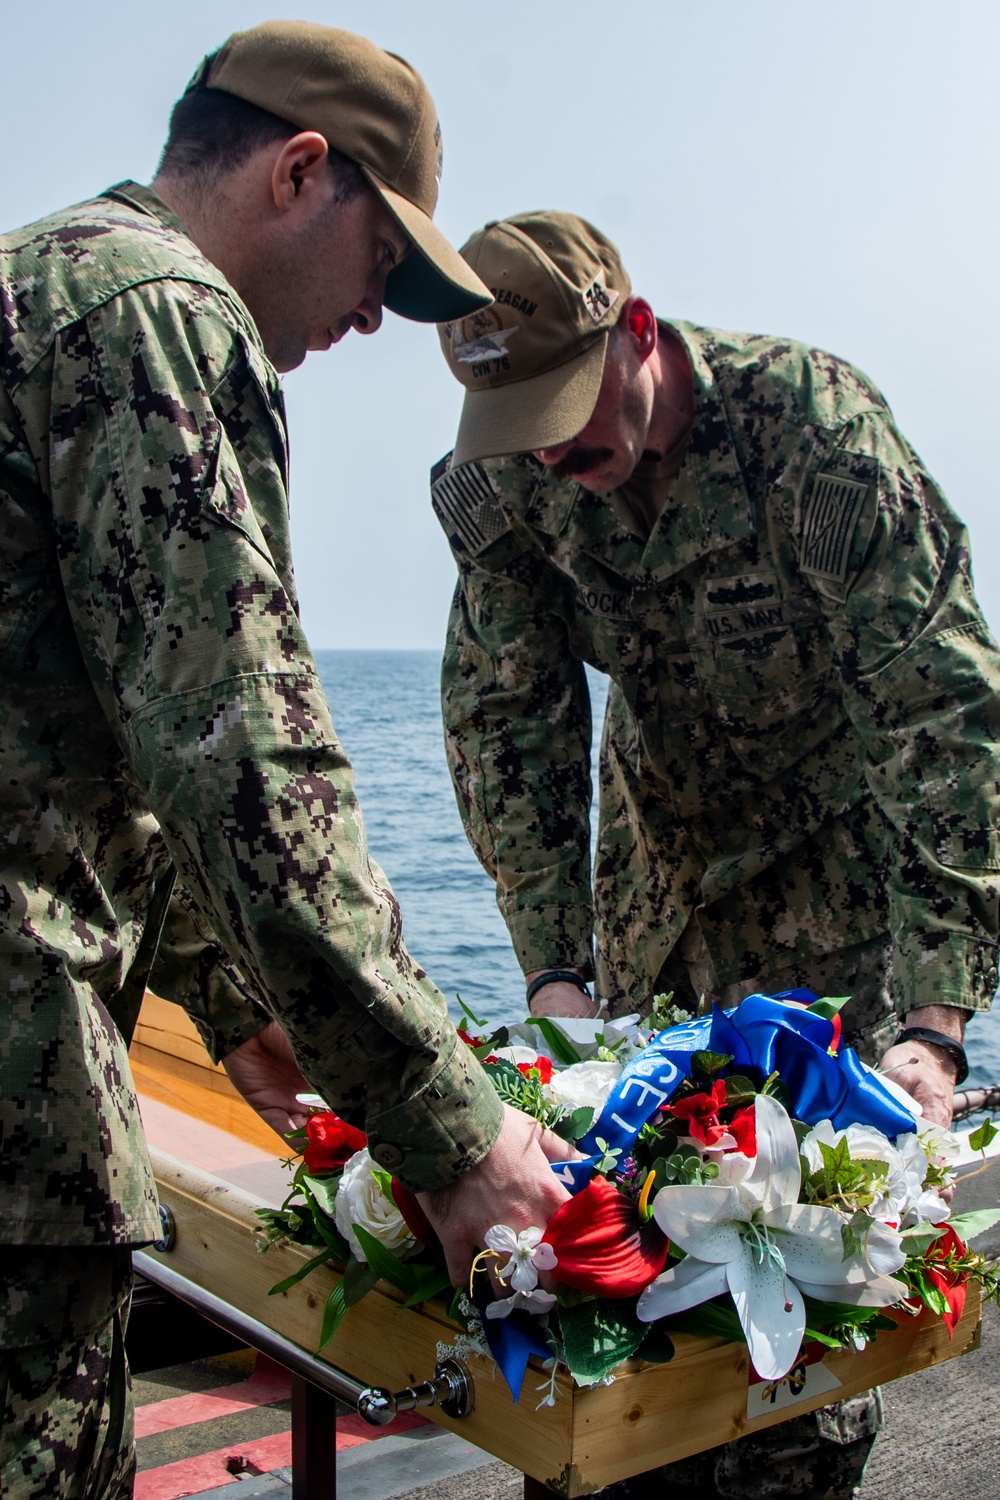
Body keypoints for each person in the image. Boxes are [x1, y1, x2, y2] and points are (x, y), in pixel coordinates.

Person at [0, 29, 571, 1500]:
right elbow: (239, 759)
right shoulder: (162, 316)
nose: (379, 319)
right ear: (300, 170)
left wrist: (265, 1031)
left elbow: (101, 746)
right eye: (384, 264)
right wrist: (450, 1130)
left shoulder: (34, 284)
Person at [431, 211, 1000, 1498]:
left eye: (574, 415)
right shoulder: (511, 470)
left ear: (639, 334)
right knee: (604, 1244)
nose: (556, 457)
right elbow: (507, 717)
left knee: (795, 1268)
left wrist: (934, 1014)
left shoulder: (816, 436)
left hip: (829, 905)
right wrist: (552, 976)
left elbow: (941, 711)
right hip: (649, 906)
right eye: (521, 431)